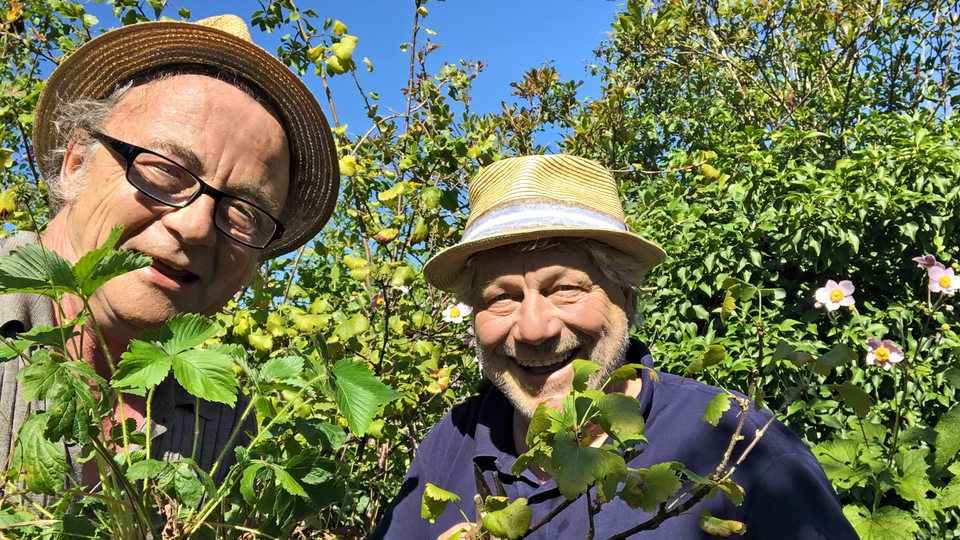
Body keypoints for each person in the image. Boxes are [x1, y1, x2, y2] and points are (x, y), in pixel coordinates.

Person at [370, 155, 857, 539]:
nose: (534, 329)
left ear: (625, 296)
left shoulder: (742, 446)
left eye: (566, 288)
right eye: (502, 299)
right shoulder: (452, 442)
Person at [0, 14, 339, 490]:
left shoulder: (234, 432)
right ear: (76, 161)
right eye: (164, 170)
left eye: (245, 210)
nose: (197, 226)